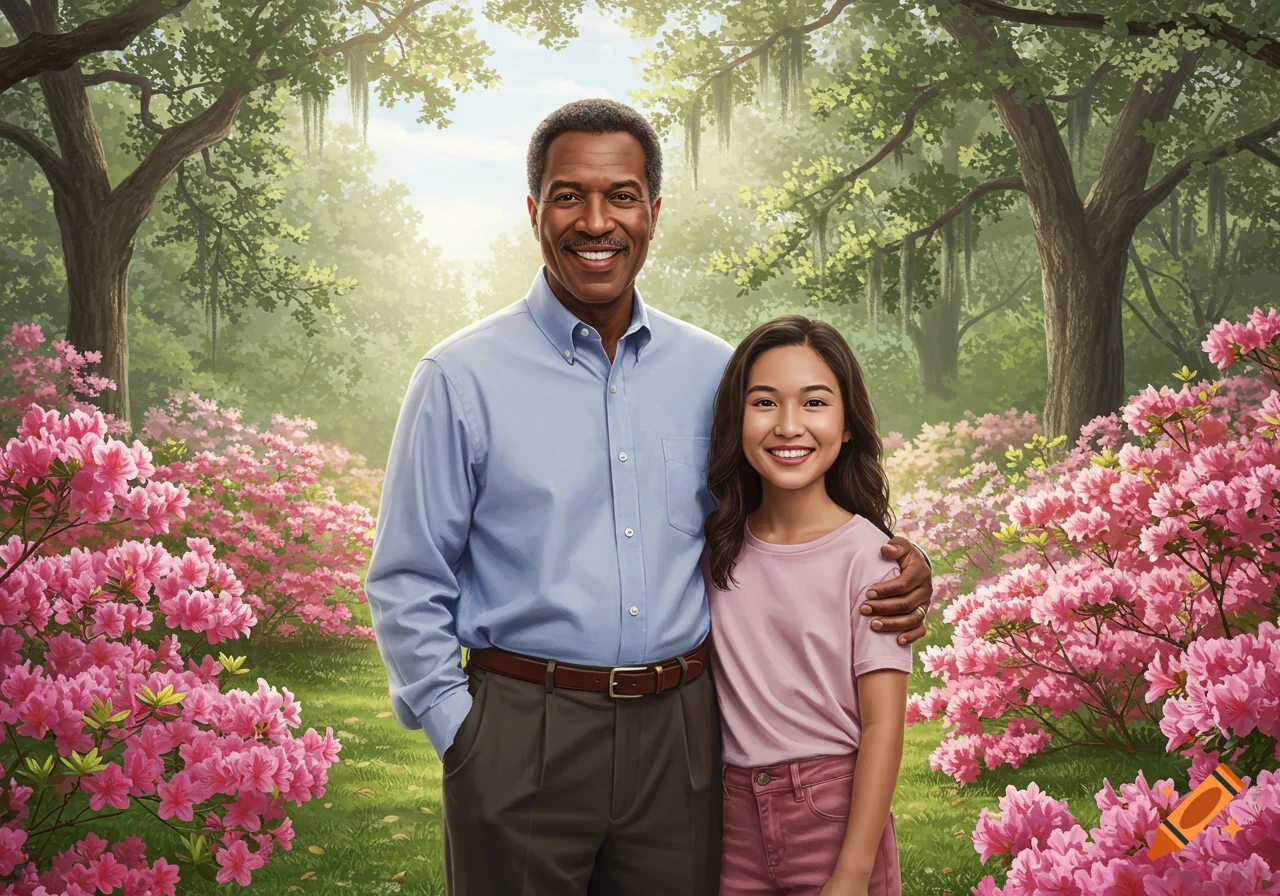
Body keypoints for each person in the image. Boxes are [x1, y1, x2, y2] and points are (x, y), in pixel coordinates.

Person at [363, 98, 933, 896]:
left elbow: (796, 500)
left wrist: (903, 564)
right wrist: (465, 736)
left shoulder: (715, 374)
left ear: (654, 213)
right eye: (570, 196)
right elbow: (406, 577)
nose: (597, 221)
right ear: (534, 212)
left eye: (621, 195)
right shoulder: (459, 378)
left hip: (684, 738)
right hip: (523, 726)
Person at [703, 316, 910, 896]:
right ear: (736, 423)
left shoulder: (869, 558)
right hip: (731, 820)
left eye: (815, 402)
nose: (789, 426)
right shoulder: (717, 549)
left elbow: (883, 726)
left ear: (846, 427)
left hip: (837, 813)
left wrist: (851, 873)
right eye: (764, 402)